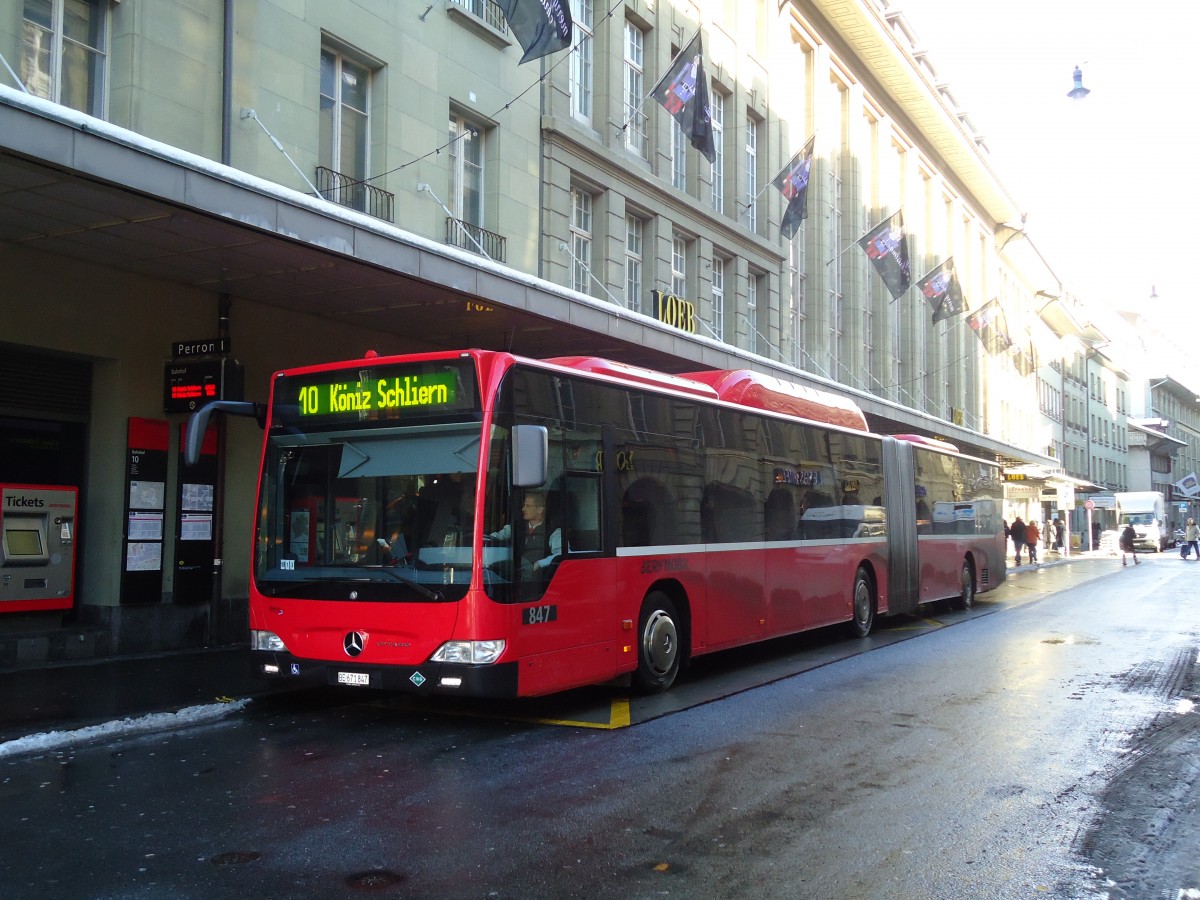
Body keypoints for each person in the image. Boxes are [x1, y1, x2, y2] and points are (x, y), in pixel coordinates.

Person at [486, 490, 561, 573]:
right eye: (524, 505)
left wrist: (539, 564)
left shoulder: (554, 531)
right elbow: (496, 536)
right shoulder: (516, 526)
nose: (523, 509)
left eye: (528, 506)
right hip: (514, 575)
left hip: (538, 579)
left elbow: (560, 554)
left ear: (540, 509)